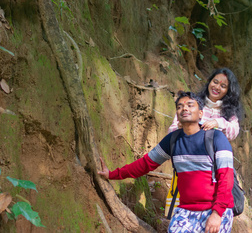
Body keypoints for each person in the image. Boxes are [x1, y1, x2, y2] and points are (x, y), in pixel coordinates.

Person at [98, 92, 234, 233]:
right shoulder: (173, 140)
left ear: (200, 113)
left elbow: (226, 179)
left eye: (189, 105)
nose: (184, 109)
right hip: (186, 211)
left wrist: (217, 214)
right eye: (180, 106)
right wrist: (112, 174)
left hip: (216, 210)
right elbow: (145, 164)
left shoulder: (216, 138)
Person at [168, 68, 244, 141]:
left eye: (223, 86)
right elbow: (171, 131)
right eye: (215, 82)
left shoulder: (230, 111)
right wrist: (180, 126)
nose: (217, 87)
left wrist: (219, 123)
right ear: (209, 82)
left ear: (229, 91)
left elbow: (234, 132)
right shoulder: (193, 103)